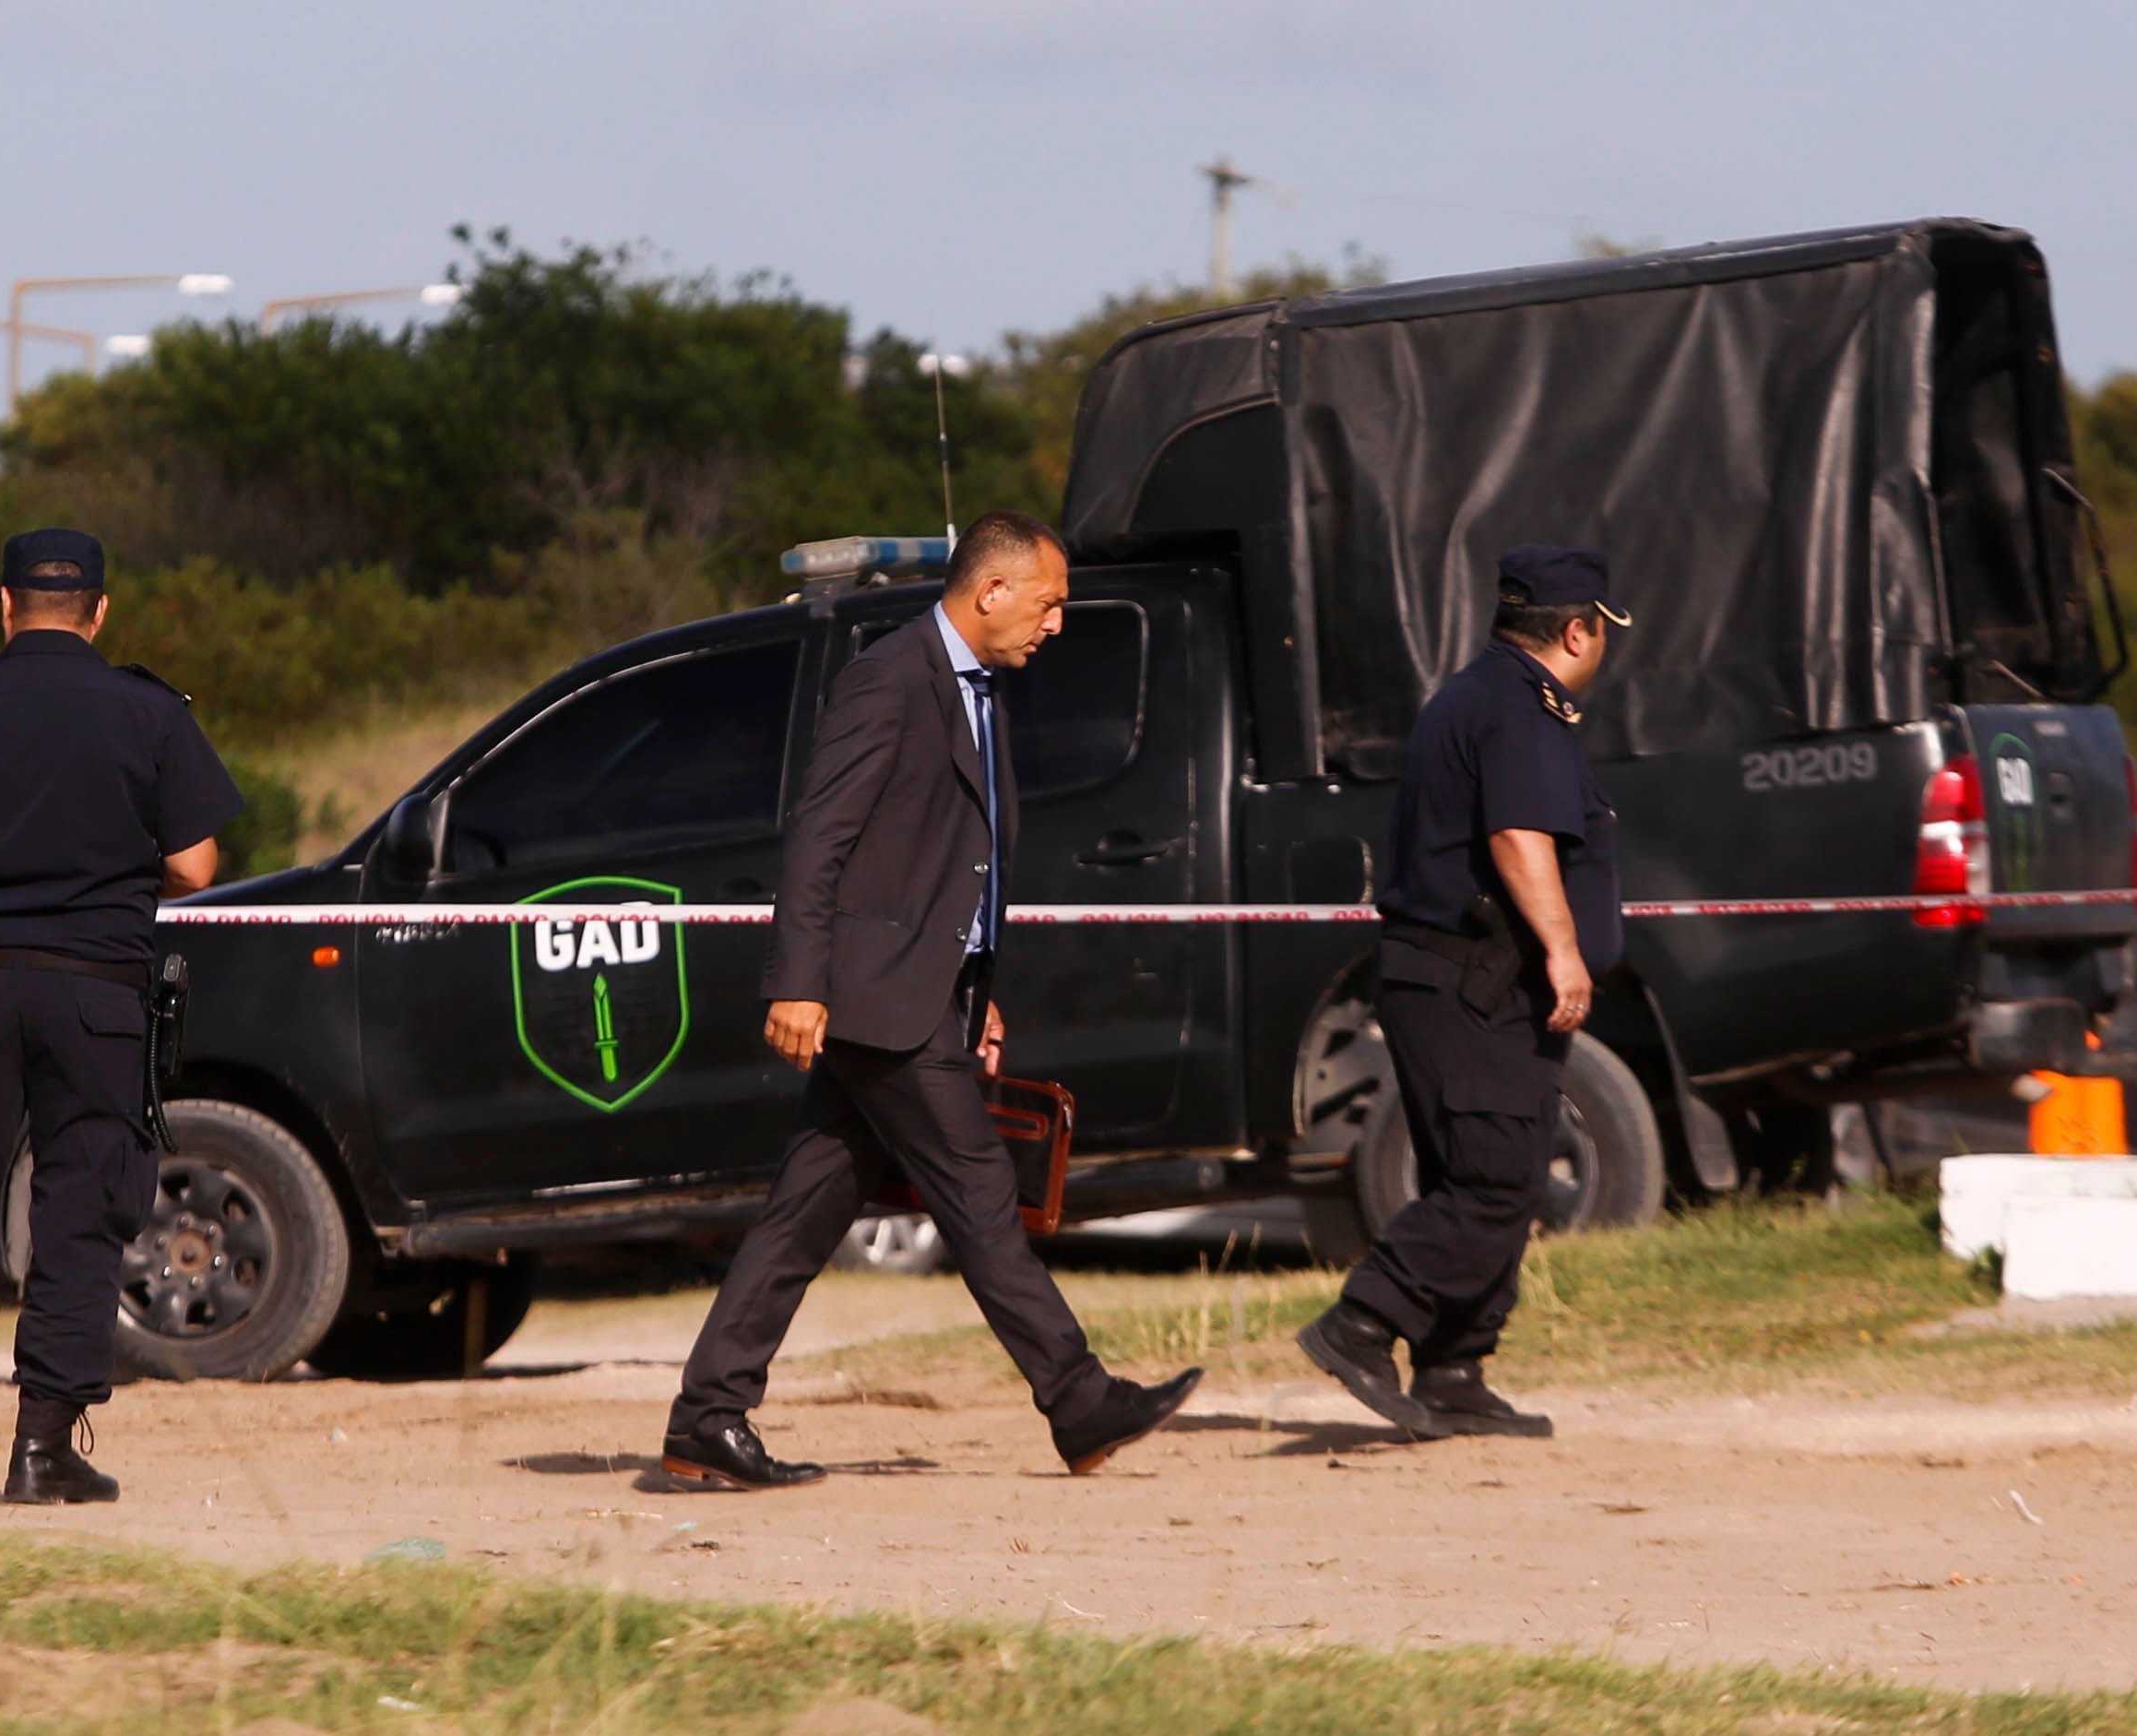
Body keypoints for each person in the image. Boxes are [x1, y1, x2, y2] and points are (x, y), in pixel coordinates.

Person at [660, 510, 1203, 1489]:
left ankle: (707, 1417)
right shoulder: (890, 679)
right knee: (981, 1194)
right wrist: (798, 982)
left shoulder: (979, 689)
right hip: (874, 1000)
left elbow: (959, 858)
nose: (1058, 624)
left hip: (924, 989)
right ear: (991, 591)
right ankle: (1078, 1399)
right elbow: (821, 836)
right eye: (1050, 603)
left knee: (804, 1214)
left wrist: (974, 980)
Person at [0, 528, 242, 1504]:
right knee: (79, 1210)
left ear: (5, 605)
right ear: (100, 611)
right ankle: (41, 1450)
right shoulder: (149, 712)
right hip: (96, 995)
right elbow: (197, 865)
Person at [1295, 544, 1630, 1442]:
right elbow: (1522, 836)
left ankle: (1453, 1368)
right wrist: (1564, 951)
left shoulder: (1480, 696)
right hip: (1473, 976)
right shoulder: (1516, 711)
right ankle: (1363, 1321)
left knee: (1483, 1172)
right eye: (1600, 629)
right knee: (1493, 1175)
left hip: (1450, 975)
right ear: (1576, 628)